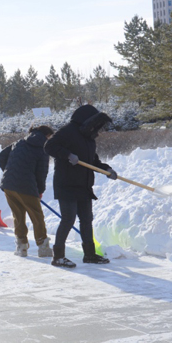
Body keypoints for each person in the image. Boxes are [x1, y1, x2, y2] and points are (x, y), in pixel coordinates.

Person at [45, 105, 117, 268]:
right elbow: (49, 147)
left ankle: (89, 255)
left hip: (84, 185)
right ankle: (58, 256)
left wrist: (107, 169)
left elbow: (93, 162)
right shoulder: (67, 131)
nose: (96, 129)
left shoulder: (88, 138)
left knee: (86, 220)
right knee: (68, 219)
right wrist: (67, 155)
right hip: (66, 184)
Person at [0, 126, 54, 258]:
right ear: (47, 135)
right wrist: (40, 190)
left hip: (9, 184)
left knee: (18, 215)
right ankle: (43, 247)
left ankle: (21, 246)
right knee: (37, 216)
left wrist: (9, 171)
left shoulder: (19, 142)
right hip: (26, 186)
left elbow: (2, 156)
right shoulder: (43, 147)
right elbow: (42, 172)